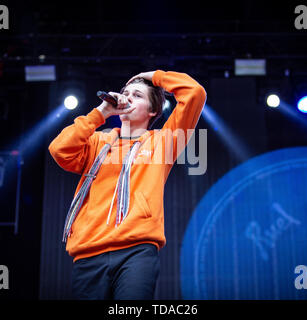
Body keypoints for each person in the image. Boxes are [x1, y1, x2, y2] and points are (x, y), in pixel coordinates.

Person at [48, 70, 206, 299]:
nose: (128, 97)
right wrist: (101, 113)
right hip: (89, 251)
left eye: (138, 95)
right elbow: (59, 149)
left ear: (153, 111)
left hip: (136, 251)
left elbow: (194, 93)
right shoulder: (97, 142)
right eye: (125, 93)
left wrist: (152, 76)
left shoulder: (162, 142)